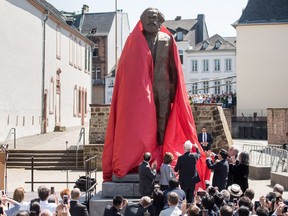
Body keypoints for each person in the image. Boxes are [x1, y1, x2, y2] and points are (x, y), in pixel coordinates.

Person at [102, 7, 204, 184]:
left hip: (163, 87)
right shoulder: (135, 40)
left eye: (154, 17)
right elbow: (127, 68)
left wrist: (174, 90)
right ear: (143, 20)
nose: (151, 20)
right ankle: (147, 156)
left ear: (160, 21)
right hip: (143, 90)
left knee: (162, 120)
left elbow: (173, 67)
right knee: (145, 123)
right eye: (148, 17)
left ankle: (162, 155)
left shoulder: (167, 39)